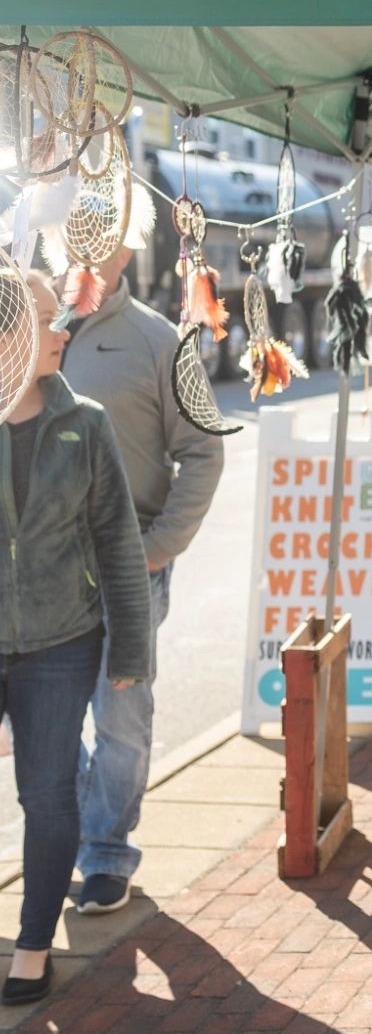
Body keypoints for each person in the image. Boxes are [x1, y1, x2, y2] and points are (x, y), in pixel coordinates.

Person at [60, 235, 224, 916]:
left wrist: (154, 550)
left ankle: (104, 852)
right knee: (47, 718)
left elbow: (205, 453)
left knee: (121, 717)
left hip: (127, 570)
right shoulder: (24, 325)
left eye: (101, 237)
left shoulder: (162, 342)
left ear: (127, 252)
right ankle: (66, 836)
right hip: (40, 572)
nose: (83, 249)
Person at [0, 272, 152, 1005]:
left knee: (49, 794)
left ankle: (32, 945)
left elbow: (118, 544)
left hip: (62, 644)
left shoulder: (84, 422)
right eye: (44, 319)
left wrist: (130, 652)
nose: (63, 330)